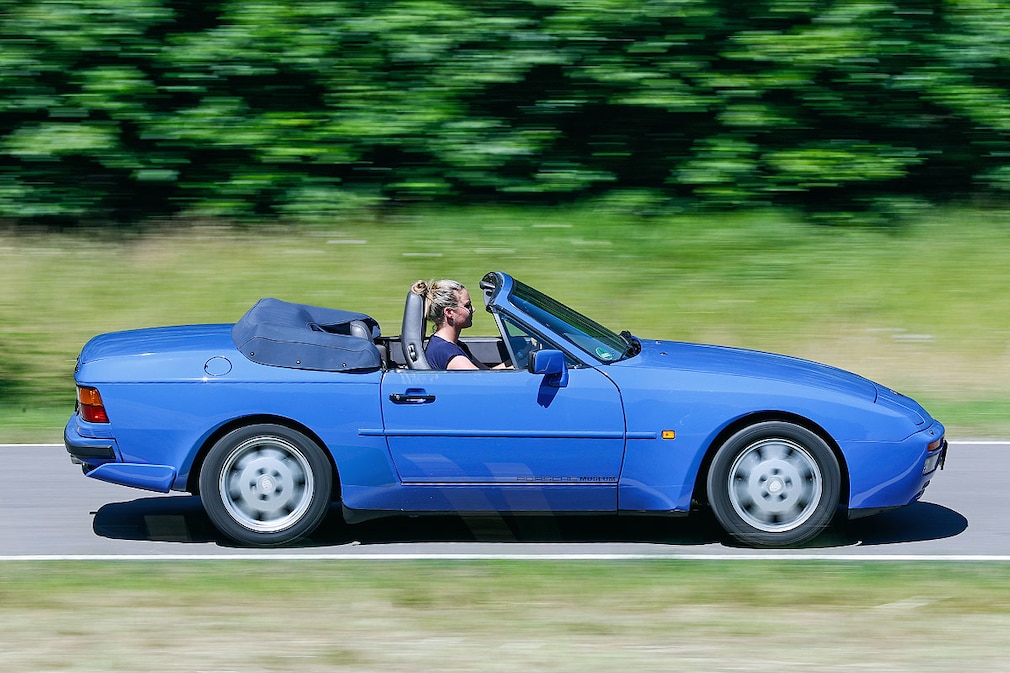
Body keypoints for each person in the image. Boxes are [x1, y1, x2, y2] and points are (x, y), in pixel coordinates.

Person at [422, 279, 505, 370]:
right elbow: (485, 381)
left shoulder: (454, 345)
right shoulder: (448, 353)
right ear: (449, 312)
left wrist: (517, 363)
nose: (473, 309)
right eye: (467, 306)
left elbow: (487, 372)